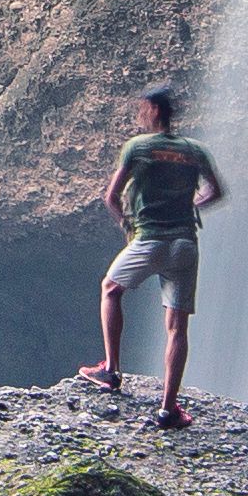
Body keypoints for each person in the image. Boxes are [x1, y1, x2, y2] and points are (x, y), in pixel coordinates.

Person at [80, 81, 225, 429]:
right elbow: (216, 191)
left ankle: (111, 370)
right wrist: (193, 205)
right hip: (185, 245)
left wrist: (126, 223)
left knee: (111, 290)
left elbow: (111, 197)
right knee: (177, 328)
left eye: (142, 109)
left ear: (155, 111)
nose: (139, 116)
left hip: (150, 240)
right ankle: (168, 409)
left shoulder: (137, 148)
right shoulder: (195, 151)